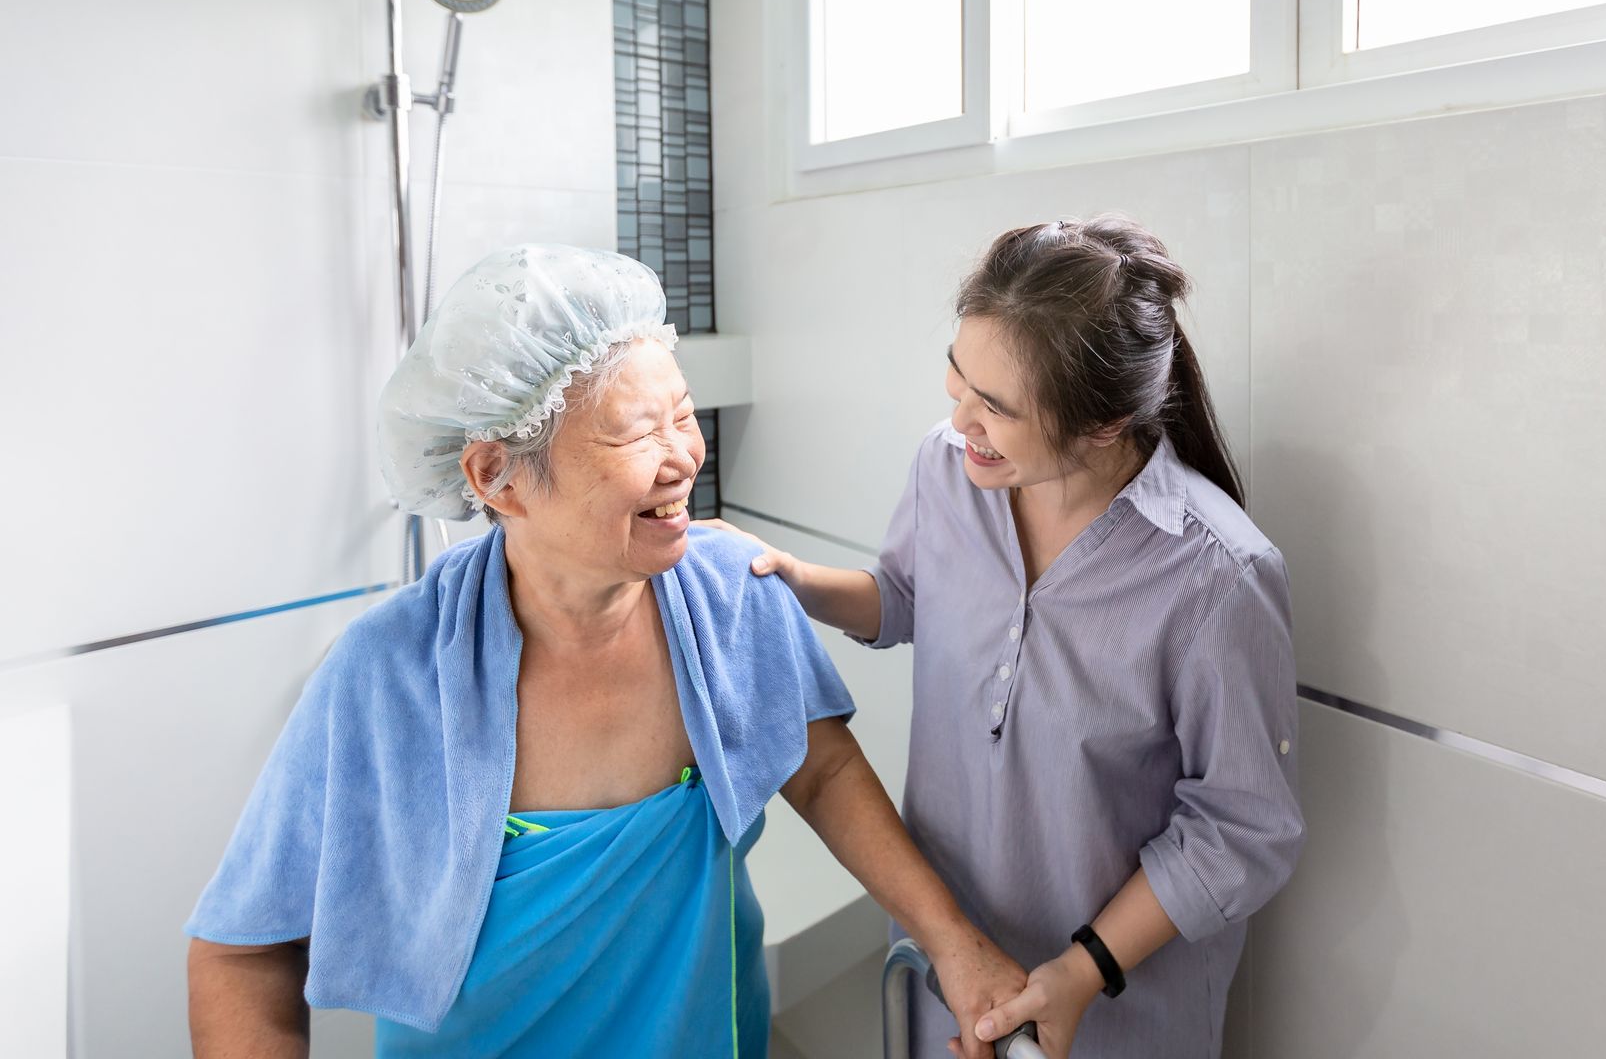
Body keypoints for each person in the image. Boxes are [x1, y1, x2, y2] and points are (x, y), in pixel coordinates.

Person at [185, 244, 1024, 1058]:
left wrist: (951, 940)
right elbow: (242, 951)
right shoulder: (388, 672)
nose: (683, 459)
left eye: (684, 415)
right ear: (496, 476)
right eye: (634, 434)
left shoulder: (731, 586)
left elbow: (824, 770)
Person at [707, 216, 1304, 1058]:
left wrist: (1083, 970)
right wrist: (795, 581)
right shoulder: (947, 470)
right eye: (957, 383)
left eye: (994, 408)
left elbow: (1243, 827)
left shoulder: (1217, 576)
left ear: (1102, 425)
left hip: (1113, 1011)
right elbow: (909, 596)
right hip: (941, 959)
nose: (961, 423)